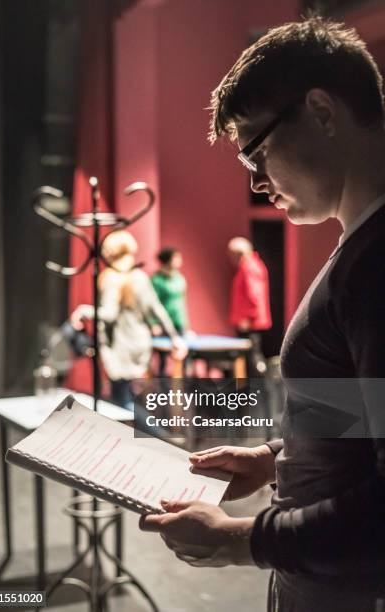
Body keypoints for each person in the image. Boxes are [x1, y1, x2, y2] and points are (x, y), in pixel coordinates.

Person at [139, 16, 385, 612]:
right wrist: (275, 458)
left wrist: (240, 540)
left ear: (323, 112)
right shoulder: (360, 249)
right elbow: (361, 426)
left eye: (258, 153)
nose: (258, 184)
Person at [71, 231, 185, 409]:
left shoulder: (112, 279)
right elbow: (158, 310)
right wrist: (175, 338)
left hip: (121, 348)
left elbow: (109, 314)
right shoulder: (140, 277)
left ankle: (159, 436)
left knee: (122, 402)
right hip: (139, 345)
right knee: (126, 398)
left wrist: (83, 311)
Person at [228, 236, 272, 376]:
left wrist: (248, 317)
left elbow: (254, 295)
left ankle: (260, 393)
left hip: (249, 323)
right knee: (251, 357)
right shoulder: (251, 265)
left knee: (253, 359)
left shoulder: (249, 268)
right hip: (249, 321)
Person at [151, 247, 190, 376]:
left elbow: (183, 300)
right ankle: (162, 387)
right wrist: (154, 323)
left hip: (179, 320)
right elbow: (152, 304)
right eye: (176, 257)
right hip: (164, 323)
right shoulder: (157, 280)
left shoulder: (179, 277)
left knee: (183, 355)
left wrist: (186, 322)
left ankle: (183, 385)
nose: (179, 260)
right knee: (163, 357)